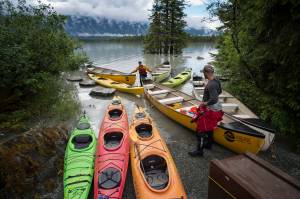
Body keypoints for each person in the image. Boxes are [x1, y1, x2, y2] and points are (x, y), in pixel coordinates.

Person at [189, 65, 223, 157]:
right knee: (210, 127)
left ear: (207, 73)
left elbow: (214, 98)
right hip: (217, 109)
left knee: (200, 129)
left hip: (210, 110)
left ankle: (199, 151)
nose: (203, 74)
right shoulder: (217, 80)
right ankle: (208, 145)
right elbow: (220, 92)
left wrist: (205, 103)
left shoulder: (211, 84)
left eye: (203, 73)